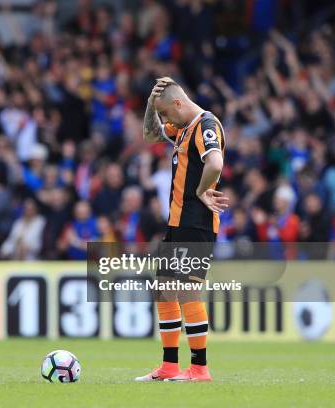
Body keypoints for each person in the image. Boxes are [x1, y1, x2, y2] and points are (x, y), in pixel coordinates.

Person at [135, 77, 229, 382]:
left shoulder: (205, 125)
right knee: (164, 290)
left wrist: (202, 191)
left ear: (178, 103)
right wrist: (152, 103)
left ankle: (200, 368)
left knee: (187, 289)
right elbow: (150, 135)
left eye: (165, 114)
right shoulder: (183, 127)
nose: (164, 122)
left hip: (196, 222)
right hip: (177, 222)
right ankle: (169, 367)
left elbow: (215, 163)